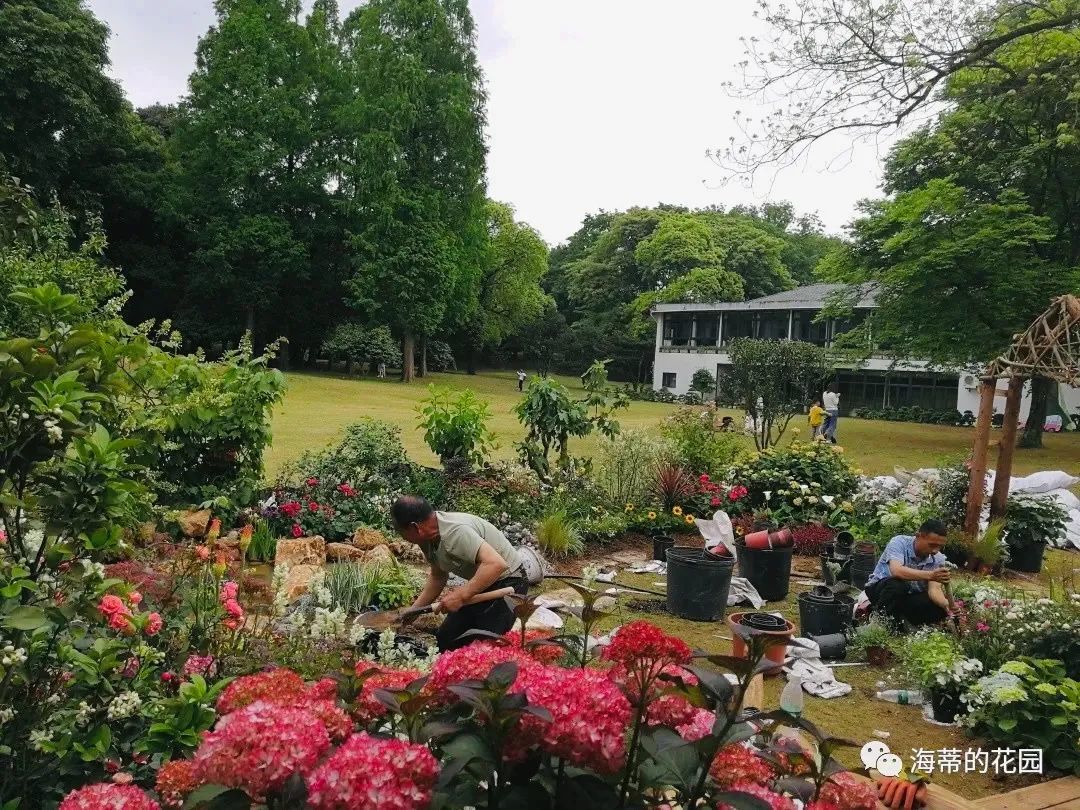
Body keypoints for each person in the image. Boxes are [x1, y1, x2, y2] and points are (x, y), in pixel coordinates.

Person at [391, 496, 527, 651]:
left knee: (485, 647)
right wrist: (413, 612)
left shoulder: (455, 532)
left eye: (400, 532)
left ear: (415, 527)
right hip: (482, 581)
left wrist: (460, 596)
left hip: (509, 582)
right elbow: (438, 576)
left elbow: (496, 564)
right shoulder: (427, 538)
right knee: (447, 639)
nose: (401, 537)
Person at [864, 519, 951, 628]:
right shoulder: (899, 542)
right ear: (919, 536)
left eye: (939, 546)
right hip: (881, 591)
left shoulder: (938, 558)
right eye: (932, 545)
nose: (935, 551)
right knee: (897, 584)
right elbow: (896, 571)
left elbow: (934, 590)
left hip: (907, 598)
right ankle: (878, 621)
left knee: (939, 608)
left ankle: (901, 621)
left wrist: (945, 603)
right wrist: (931, 575)